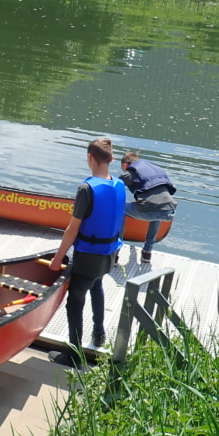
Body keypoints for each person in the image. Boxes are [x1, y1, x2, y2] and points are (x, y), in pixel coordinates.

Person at [48, 138, 126, 368]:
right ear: (111, 159)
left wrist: (57, 259)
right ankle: (99, 334)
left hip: (88, 255)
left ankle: (74, 356)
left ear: (89, 158)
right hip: (109, 253)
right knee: (97, 284)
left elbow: (73, 229)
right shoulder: (119, 185)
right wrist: (116, 250)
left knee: (75, 301)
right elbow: (120, 221)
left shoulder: (86, 189)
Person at [119, 151, 177, 264]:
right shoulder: (155, 169)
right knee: (157, 210)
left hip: (147, 210)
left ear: (125, 165)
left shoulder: (130, 172)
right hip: (169, 211)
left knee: (119, 209)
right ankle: (147, 252)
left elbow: (113, 187)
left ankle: (115, 252)